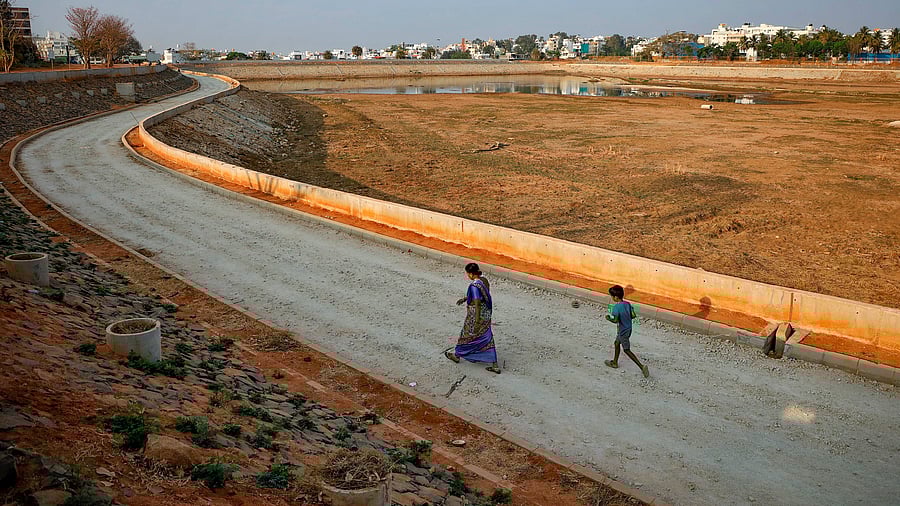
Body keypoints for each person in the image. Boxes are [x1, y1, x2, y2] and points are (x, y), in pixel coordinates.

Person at [445, 263, 501, 374]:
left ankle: (457, 355)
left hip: (475, 315)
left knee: (466, 335)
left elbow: (477, 303)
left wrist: (476, 321)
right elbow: (482, 295)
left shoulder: (474, 286)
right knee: (487, 336)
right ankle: (495, 364)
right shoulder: (484, 280)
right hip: (486, 314)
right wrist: (465, 298)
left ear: (470, 273)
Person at [604, 285, 649, 378]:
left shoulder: (616, 307)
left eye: (611, 296)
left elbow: (615, 320)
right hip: (628, 329)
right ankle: (615, 362)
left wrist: (609, 318)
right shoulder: (627, 304)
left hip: (622, 331)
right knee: (617, 343)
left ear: (616, 297)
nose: (611, 298)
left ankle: (642, 366)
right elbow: (633, 316)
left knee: (626, 350)